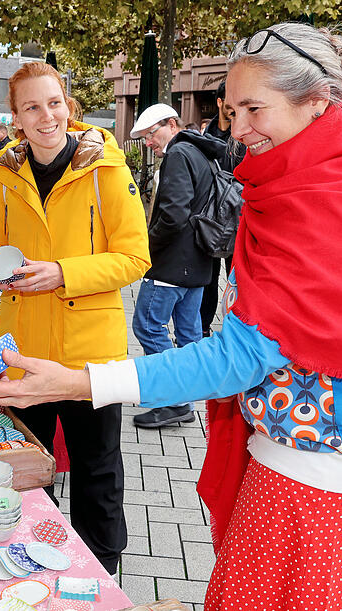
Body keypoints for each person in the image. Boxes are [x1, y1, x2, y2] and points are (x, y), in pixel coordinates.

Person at [0, 22, 342, 609]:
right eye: (230, 109)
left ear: (316, 100)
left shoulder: (337, 197)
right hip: (298, 443)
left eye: (253, 109)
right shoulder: (323, 173)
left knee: (102, 478)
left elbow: (241, 351)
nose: (236, 130)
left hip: (333, 458)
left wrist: (80, 375)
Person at [0, 61, 150, 575]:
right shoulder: (4, 175)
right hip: (23, 347)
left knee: (97, 467)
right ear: (16, 117)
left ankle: (101, 568)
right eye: (31, 106)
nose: (45, 115)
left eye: (53, 102)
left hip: (88, 352)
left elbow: (136, 257)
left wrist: (63, 273)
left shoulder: (107, 169)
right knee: (30, 466)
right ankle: (37, 561)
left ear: (67, 104)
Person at [129, 104, 226, 429]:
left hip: (172, 264)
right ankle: (188, 396)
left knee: (147, 325)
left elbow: (173, 214)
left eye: (151, 134)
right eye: (143, 137)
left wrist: (145, 246)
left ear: (171, 124)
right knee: (188, 334)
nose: (148, 143)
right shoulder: (201, 152)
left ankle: (173, 401)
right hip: (198, 263)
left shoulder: (179, 153)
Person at [200, 80, 245, 338]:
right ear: (219, 103)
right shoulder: (207, 135)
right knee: (208, 275)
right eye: (229, 102)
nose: (233, 107)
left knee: (234, 274)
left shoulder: (242, 134)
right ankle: (203, 328)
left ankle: (234, 328)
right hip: (211, 214)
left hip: (237, 214)